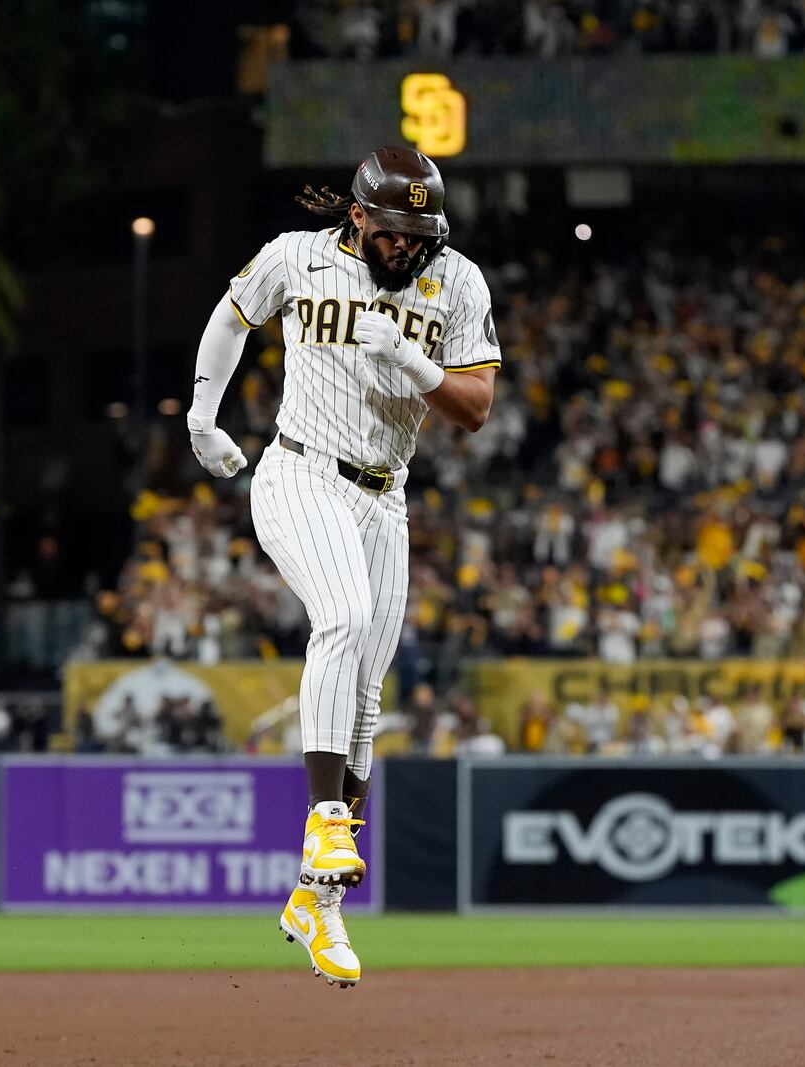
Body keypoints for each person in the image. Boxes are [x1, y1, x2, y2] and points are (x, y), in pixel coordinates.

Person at [187, 146, 499, 989]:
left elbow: (474, 408)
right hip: (298, 467)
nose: (408, 248)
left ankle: (313, 903)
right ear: (360, 218)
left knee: (366, 693)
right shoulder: (299, 254)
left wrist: (407, 356)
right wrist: (202, 416)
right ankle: (328, 816)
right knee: (344, 619)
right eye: (395, 232)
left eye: (420, 233)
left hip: (384, 493)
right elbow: (232, 312)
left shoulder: (459, 282)